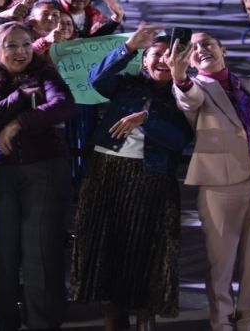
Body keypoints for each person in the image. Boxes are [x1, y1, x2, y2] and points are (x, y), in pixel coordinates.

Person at [72, 26, 194, 331]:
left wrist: (148, 119)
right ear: (143, 61)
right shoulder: (126, 86)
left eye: (170, 55)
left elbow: (178, 140)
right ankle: (114, 322)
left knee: (147, 255)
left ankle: (144, 322)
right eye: (156, 54)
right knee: (105, 251)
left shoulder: (187, 94)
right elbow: (96, 80)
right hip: (107, 172)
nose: (163, 60)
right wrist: (126, 48)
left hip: (151, 178)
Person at [168, 31, 250, 331]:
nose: (200, 49)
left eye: (206, 43)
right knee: (221, 264)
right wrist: (180, 79)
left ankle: (248, 322)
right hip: (221, 185)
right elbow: (188, 101)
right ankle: (221, 323)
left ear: (223, 48)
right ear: (189, 62)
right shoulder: (193, 86)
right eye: (193, 48)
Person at [0, 21, 76, 331]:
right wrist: (18, 99)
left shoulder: (44, 72)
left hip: (44, 167)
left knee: (41, 250)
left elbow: (64, 105)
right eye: (11, 45)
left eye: (26, 44)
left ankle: (43, 322)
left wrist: (17, 124)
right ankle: (2, 323)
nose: (21, 52)